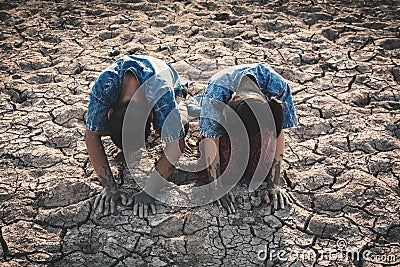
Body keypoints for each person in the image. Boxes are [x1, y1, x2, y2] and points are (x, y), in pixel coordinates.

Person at [85, 55, 188, 218]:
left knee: (181, 126)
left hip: (172, 82)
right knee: (95, 124)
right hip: (138, 87)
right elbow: (91, 136)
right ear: (110, 112)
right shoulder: (105, 85)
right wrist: (109, 187)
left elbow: (177, 145)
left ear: (152, 116)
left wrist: (150, 191)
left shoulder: (162, 95)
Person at [195, 64, 298, 213]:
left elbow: (278, 132)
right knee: (226, 172)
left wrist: (274, 183)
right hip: (228, 130)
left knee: (260, 169)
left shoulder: (279, 89)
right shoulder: (216, 93)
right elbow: (211, 138)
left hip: (257, 126)